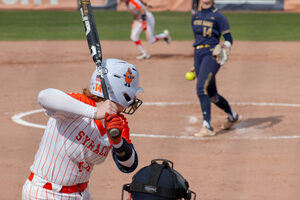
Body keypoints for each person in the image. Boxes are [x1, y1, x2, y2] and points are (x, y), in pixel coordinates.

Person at [22, 58, 144, 200]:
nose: (134, 98)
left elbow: (129, 165)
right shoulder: (78, 104)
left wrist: (117, 142)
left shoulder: (118, 122)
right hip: (45, 194)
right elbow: (44, 96)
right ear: (121, 92)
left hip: (80, 194)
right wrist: (94, 113)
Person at [189, 0, 242, 137]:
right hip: (198, 55)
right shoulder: (196, 16)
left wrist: (227, 47)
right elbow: (198, 40)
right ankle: (233, 116)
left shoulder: (218, 16)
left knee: (201, 88)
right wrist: (196, 65)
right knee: (212, 95)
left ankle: (207, 126)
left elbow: (229, 38)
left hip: (212, 55)